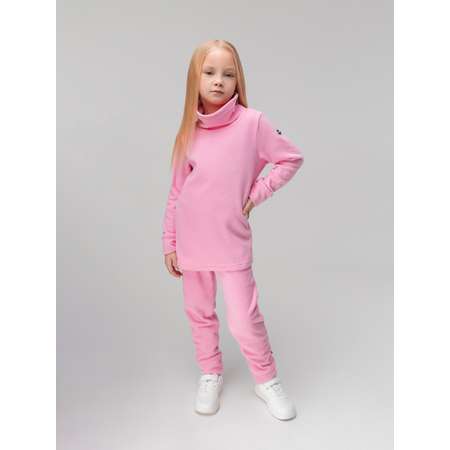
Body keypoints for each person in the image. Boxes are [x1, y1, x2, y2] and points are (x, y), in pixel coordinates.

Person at [161, 39, 304, 421]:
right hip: (191, 239)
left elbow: (290, 158)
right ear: (195, 79)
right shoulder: (188, 131)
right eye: (209, 72)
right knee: (199, 313)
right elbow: (177, 192)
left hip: (230, 239)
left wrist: (256, 194)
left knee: (243, 317)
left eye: (228, 74)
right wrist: (169, 241)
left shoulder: (252, 123)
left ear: (238, 80)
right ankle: (210, 373)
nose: (218, 81)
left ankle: (266, 379)